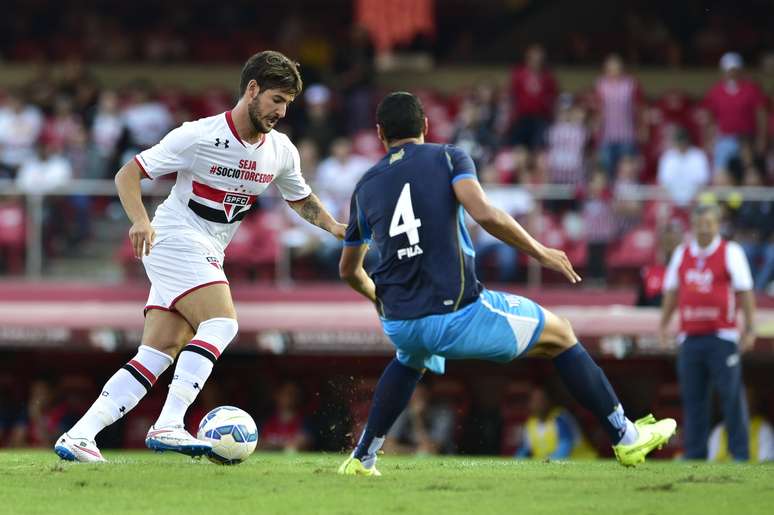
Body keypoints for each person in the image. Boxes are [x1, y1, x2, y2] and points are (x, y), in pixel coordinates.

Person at [337, 92, 676, 476]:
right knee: (561, 334)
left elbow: (349, 270)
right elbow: (484, 214)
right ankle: (626, 437)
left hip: (401, 321)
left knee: (409, 356)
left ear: (380, 134)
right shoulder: (449, 157)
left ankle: (362, 457)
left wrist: (377, 298)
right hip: (457, 312)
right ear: (426, 127)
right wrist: (540, 251)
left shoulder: (364, 187)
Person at [54, 50, 346, 463]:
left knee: (157, 353)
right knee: (222, 323)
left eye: (288, 104)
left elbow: (300, 199)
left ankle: (80, 435)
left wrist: (334, 227)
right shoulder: (198, 135)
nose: (282, 111)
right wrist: (139, 220)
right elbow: (128, 174)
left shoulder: (281, 151)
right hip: (173, 236)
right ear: (252, 90)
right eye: (277, 100)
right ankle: (169, 423)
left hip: (210, 248)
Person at [659, 204, 756, 461]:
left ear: (718, 225)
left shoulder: (730, 252)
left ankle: (740, 455)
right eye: (699, 224)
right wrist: (663, 326)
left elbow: (745, 292)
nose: (703, 229)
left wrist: (750, 329)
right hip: (690, 337)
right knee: (693, 400)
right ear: (692, 225)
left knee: (731, 396)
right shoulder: (682, 253)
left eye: (709, 224)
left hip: (722, 337)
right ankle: (695, 455)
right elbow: (671, 291)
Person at [703, 52, 767, 170]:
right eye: (728, 69)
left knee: (750, 172)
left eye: (734, 69)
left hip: (747, 140)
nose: (731, 73)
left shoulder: (751, 89)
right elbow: (710, 119)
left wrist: (761, 138)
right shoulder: (715, 91)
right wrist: (709, 140)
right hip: (724, 139)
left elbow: (761, 115)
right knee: (721, 173)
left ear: (740, 70)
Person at [594, 54, 643, 177]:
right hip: (606, 135)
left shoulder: (630, 84)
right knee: (606, 169)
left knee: (626, 171)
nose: (614, 71)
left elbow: (639, 108)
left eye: (616, 68)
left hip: (626, 134)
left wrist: (642, 128)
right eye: (610, 68)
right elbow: (598, 109)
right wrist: (596, 129)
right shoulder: (601, 84)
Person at [515, 387, 596, 460]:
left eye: (541, 399)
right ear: (530, 404)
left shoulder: (560, 418)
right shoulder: (530, 424)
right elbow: (525, 449)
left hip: (581, 462)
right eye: (535, 400)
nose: (539, 403)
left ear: (548, 401)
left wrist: (549, 461)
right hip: (554, 468)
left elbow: (565, 444)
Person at [507, 44, 558, 149]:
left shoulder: (548, 77)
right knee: (518, 147)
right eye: (533, 58)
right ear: (527, 59)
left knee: (538, 147)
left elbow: (553, 97)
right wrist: (511, 115)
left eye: (539, 58)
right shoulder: (519, 74)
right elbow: (512, 95)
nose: (536, 61)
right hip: (521, 118)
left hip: (541, 118)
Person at [384, 383, 455, 455]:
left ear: (429, 394)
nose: (417, 399)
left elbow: (432, 450)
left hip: (441, 458)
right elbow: (387, 447)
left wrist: (417, 418)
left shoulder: (443, 412)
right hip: (410, 456)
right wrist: (416, 451)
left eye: (421, 395)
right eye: (414, 395)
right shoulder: (401, 411)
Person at [708, 388, 774, 463]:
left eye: (744, 400)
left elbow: (766, 464)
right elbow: (711, 464)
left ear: (753, 403)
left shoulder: (763, 429)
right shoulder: (719, 430)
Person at [657, 127, 711, 207]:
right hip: (672, 202)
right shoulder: (668, 157)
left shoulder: (698, 156)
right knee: (660, 203)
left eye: (682, 142)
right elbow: (663, 184)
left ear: (687, 141)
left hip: (695, 201)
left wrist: (692, 202)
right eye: (678, 142)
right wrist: (673, 204)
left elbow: (703, 183)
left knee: (707, 198)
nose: (680, 145)